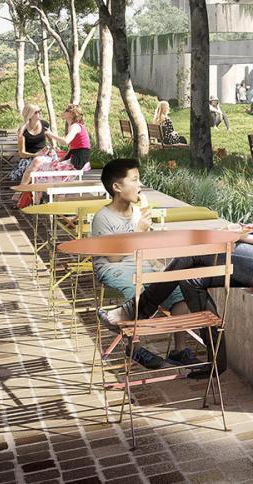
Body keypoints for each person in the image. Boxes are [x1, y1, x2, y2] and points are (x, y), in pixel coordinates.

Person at [109, 115, 253, 379]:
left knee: (200, 251)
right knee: (191, 280)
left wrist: (245, 240)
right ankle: (217, 360)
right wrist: (244, 230)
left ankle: (136, 311)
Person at [91, 158, 195, 369]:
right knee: (136, 288)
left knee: (180, 292)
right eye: (135, 180)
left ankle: (179, 350)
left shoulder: (138, 213)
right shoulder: (103, 217)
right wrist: (138, 232)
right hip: (113, 267)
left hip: (140, 262)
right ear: (117, 187)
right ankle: (135, 348)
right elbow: (114, 258)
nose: (140, 186)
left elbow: (145, 248)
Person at [3, 104, 52, 185]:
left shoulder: (44, 125)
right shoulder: (23, 131)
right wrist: (35, 155)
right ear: (29, 114)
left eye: (40, 111)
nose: (40, 113)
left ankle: (20, 193)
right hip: (29, 157)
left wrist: (49, 147)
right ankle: (24, 193)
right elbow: (21, 154)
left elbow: (51, 140)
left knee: (37, 163)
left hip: (45, 156)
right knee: (32, 165)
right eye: (36, 112)